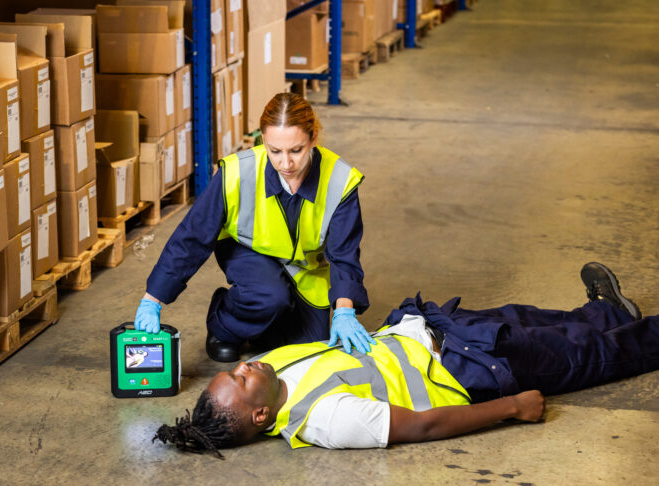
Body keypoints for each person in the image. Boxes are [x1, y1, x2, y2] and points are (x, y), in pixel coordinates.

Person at [152, 262, 659, 457]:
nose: (244, 366)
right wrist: (512, 409)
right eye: (240, 381)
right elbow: (423, 426)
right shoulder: (325, 420)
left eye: (233, 370)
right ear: (260, 416)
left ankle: (607, 310)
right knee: (590, 355)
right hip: (471, 369)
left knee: (537, 319)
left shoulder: (272, 367)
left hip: (434, 329)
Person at [134, 93, 376, 362]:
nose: (286, 163)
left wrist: (343, 310)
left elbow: (344, 254)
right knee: (269, 296)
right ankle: (223, 323)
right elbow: (193, 236)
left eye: (296, 150)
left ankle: (265, 320)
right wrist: (153, 298)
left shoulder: (340, 179)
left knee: (309, 349)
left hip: (305, 267)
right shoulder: (238, 172)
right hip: (247, 251)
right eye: (275, 151)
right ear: (263, 140)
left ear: (313, 138)